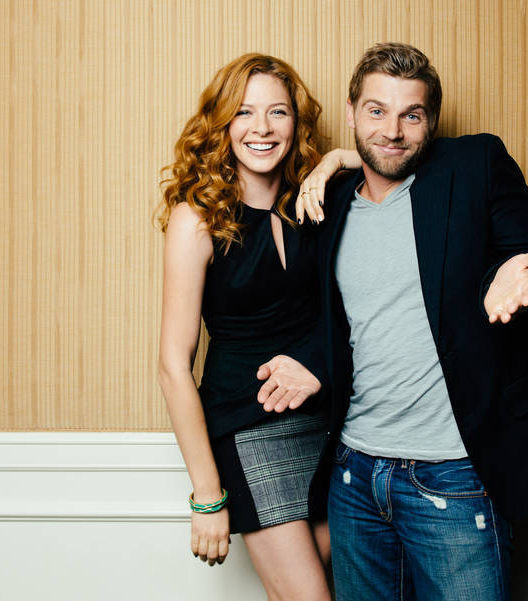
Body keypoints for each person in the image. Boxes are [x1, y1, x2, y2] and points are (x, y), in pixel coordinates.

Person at [281, 43, 528, 600]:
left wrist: (526, 276)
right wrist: (312, 363)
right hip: (355, 475)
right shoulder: (329, 202)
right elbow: (351, 318)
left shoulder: (473, 166)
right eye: (377, 110)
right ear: (352, 111)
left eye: (411, 115)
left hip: (452, 477)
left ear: (431, 121)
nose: (393, 130)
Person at [156, 53, 333, 600]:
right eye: (244, 112)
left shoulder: (315, 203)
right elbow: (172, 366)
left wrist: (335, 161)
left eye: (278, 112)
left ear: (296, 124)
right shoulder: (196, 219)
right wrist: (207, 495)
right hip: (248, 429)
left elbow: (400, 166)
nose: (262, 128)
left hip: (329, 426)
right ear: (222, 123)